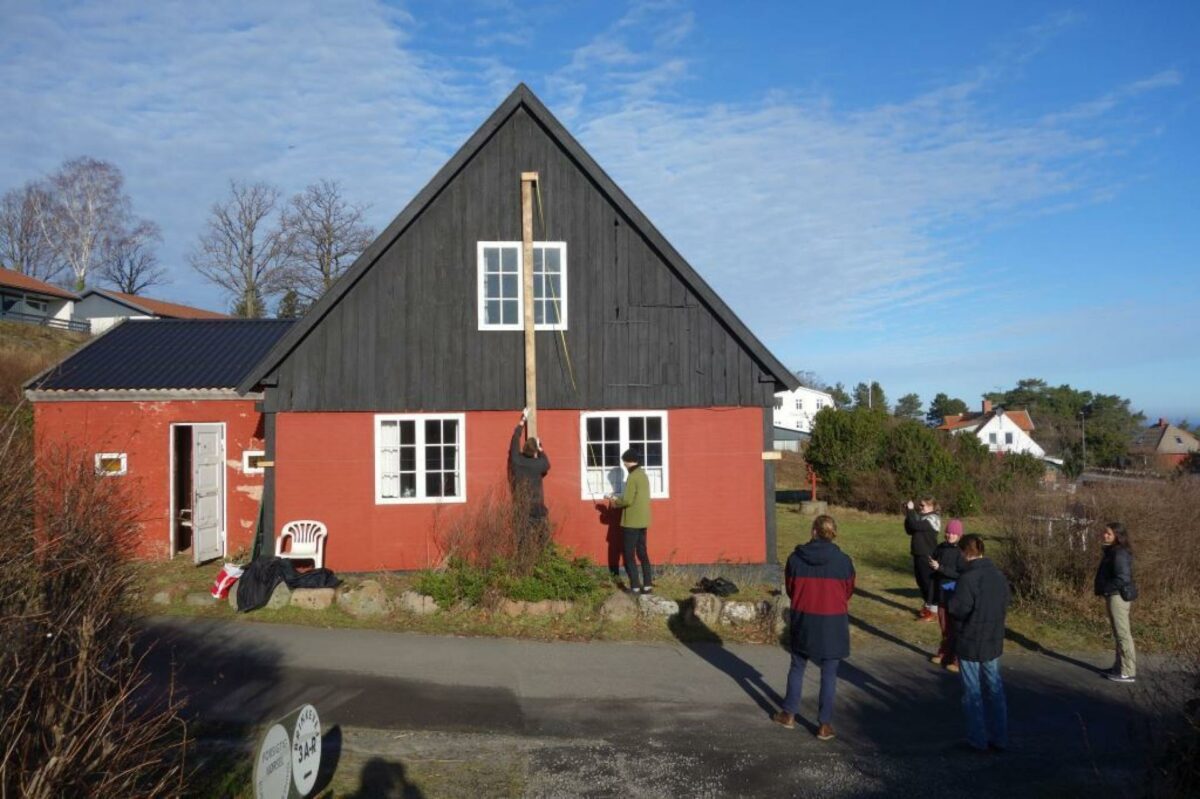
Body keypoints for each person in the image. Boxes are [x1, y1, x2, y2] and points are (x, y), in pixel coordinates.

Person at [772, 514, 855, 742]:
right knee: (829, 672)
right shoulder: (843, 561)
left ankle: (789, 713)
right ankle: (824, 724)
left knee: (798, 666)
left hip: (805, 618)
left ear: (813, 531)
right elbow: (848, 590)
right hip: (833, 621)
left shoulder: (795, 559)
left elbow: (790, 588)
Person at [948, 534, 1010, 752]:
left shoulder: (967, 579)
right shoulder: (999, 576)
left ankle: (977, 739)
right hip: (993, 638)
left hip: (971, 639)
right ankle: (999, 737)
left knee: (972, 691)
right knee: (995, 689)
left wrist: (950, 598)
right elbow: (1006, 602)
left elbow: (958, 609)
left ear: (965, 553)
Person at [1094, 521, 1138, 683]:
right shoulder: (1113, 551)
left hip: (1118, 597)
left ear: (1117, 536)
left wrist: (1106, 589)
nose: (1105, 535)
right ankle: (1119, 667)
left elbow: (1122, 578)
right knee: (1119, 634)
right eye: (1105, 532)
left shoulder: (1119, 553)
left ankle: (1127, 671)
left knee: (1123, 634)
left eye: (1109, 533)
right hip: (1113, 595)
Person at [608, 448, 653, 593]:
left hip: (632, 522)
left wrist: (614, 501)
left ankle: (634, 586)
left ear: (626, 461)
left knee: (629, 554)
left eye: (624, 462)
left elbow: (627, 500)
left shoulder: (632, 476)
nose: (624, 465)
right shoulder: (643, 475)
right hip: (643, 521)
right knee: (642, 553)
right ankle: (647, 585)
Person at [929, 518, 967, 672]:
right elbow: (933, 562)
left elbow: (960, 575)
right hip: (941, 592)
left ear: (959, 535)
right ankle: (945, 652)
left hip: (954, 594)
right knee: (944, 626)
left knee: (956, 627)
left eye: (954, 533)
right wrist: (930, 564)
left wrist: (941, 568)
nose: (950, 535)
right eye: (948, 532)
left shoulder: (961, 553)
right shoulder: (940, 547)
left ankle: (957, 658)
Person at [510, 408, 550, 545]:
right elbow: (547, 464)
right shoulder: (538, 464)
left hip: (522, 508)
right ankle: (542, 563)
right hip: (537, 508)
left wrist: (522, 420)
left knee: (523, 541)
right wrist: (541, 448)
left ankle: (524, 564)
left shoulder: (516, 460)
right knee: (542, 540)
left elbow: (515, 440)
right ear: (535, 452)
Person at [904, 496, 942, 621]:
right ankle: (928, 606)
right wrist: (908, 513)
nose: (920, 507)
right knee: (921, 581)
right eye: (920, 505)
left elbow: (914, 525)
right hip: (917, 554)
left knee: (928, 583)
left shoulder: (933, 519)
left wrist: (911, 511)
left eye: (923, 505)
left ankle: (933, 609)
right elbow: (909, 529)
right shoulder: (922, 517)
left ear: (931, 506)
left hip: (927, 555)